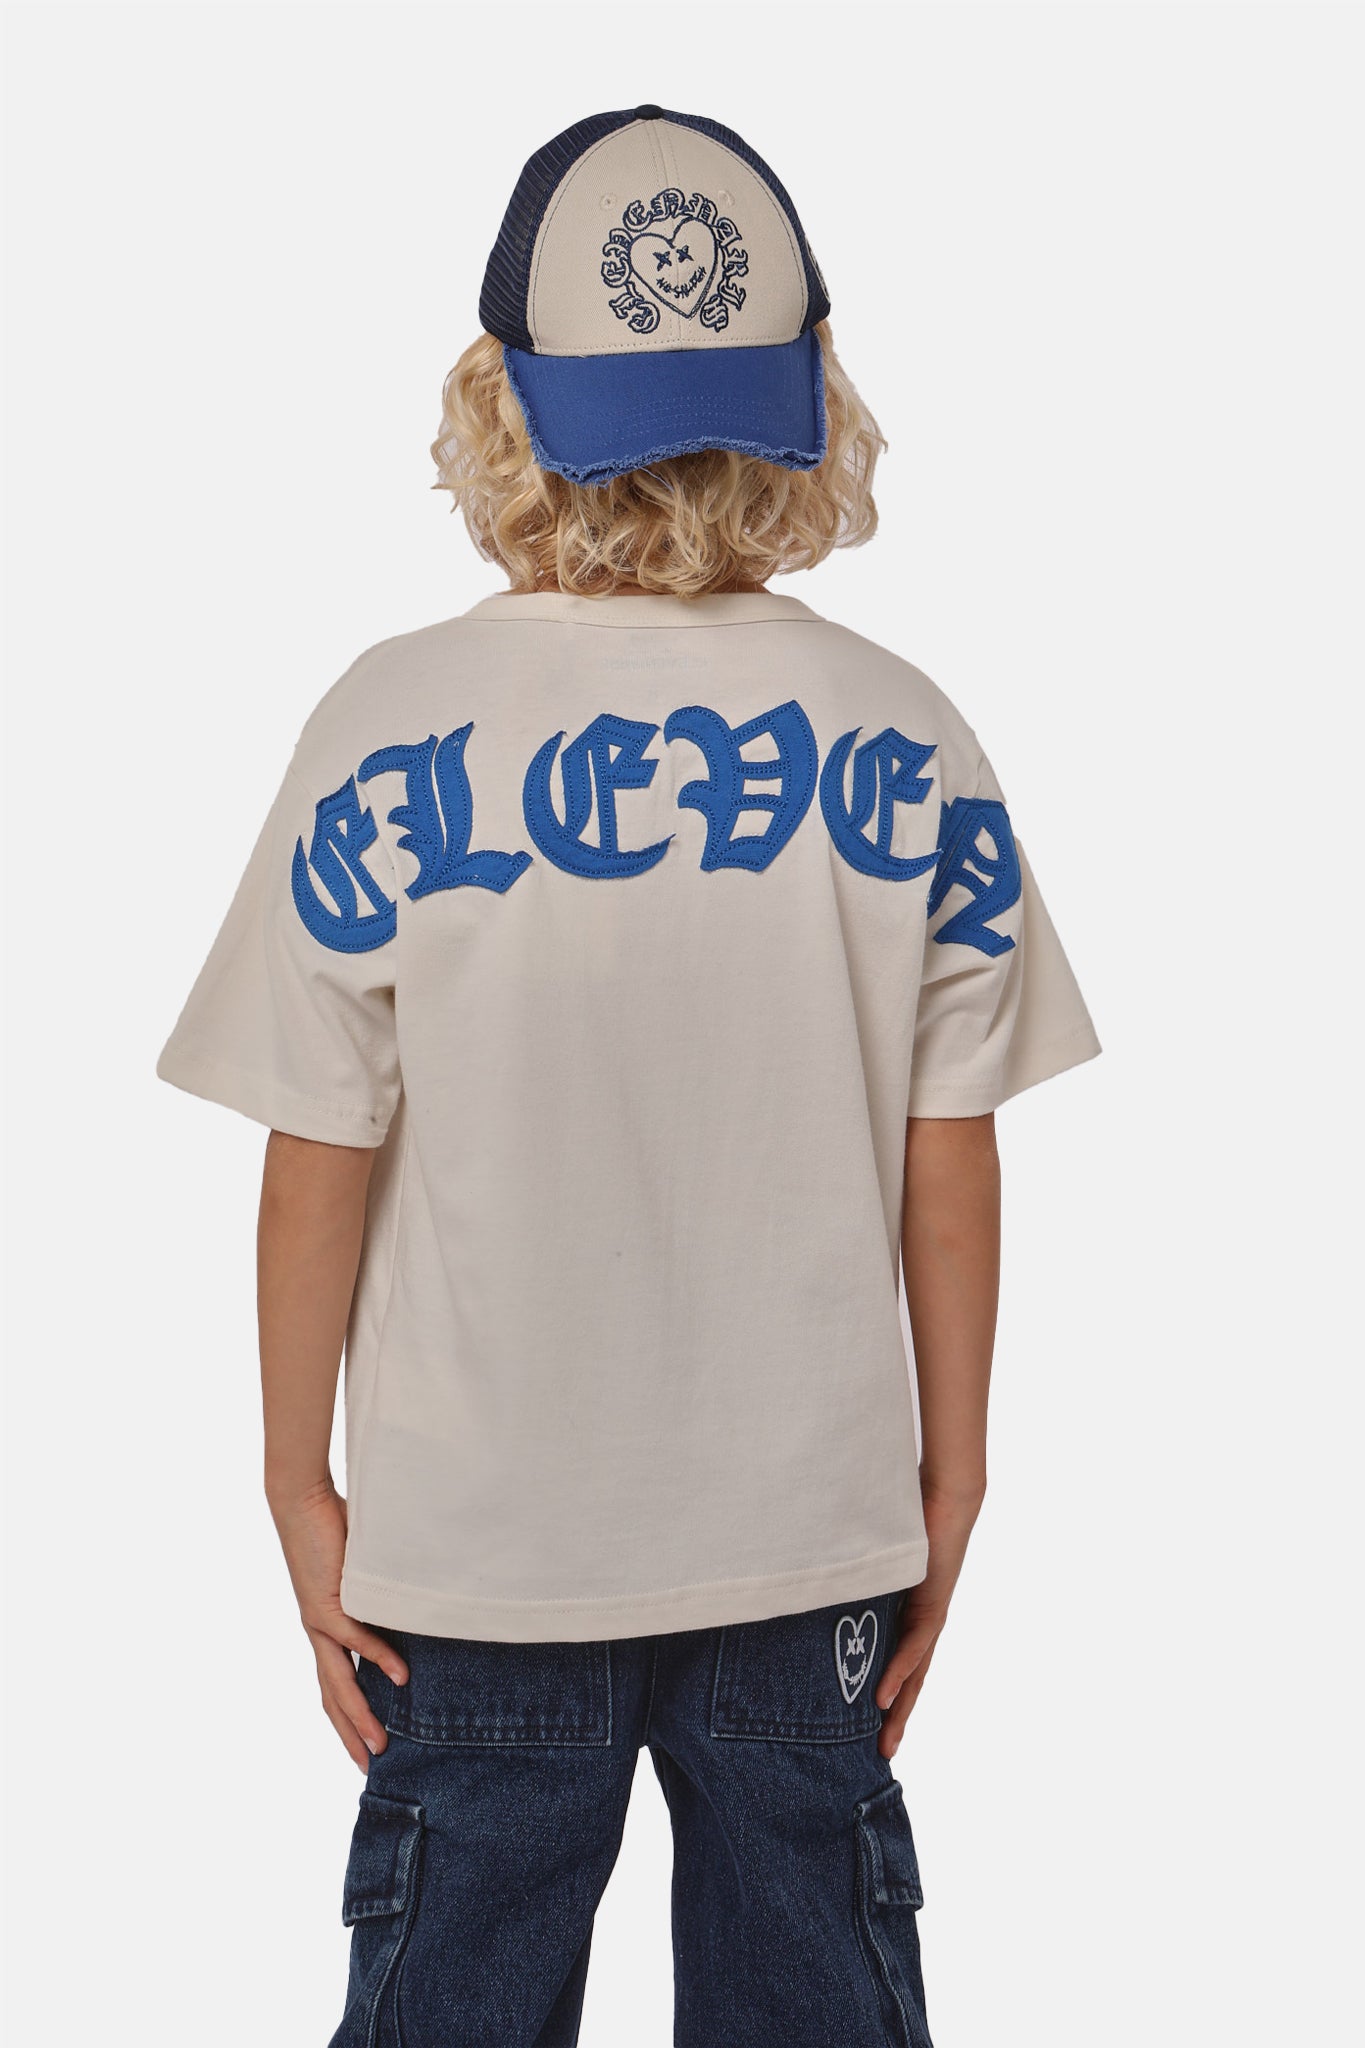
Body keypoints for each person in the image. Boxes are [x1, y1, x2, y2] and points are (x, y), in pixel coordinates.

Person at [157, 105, 1100, 2048]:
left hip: (478, 1547)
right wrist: (952, 1474)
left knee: (449, 2000)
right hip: (809, 1528)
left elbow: (317, 1151)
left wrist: (291, 1477)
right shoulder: (903, 732)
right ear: (811, 405)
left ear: (500, 403)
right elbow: (948, 1157)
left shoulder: (387, 725)